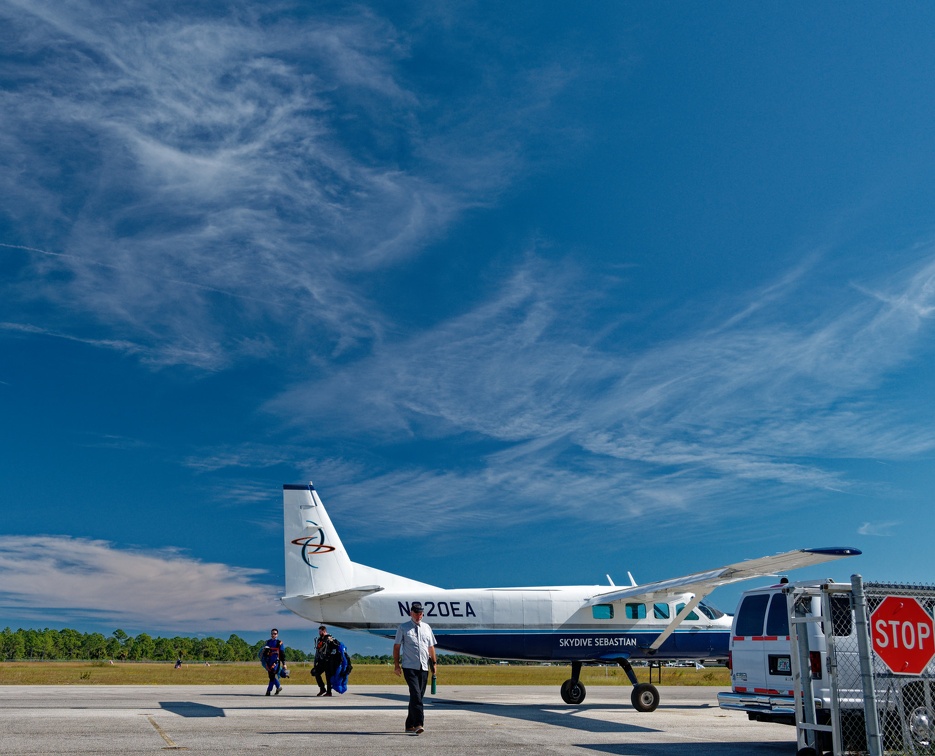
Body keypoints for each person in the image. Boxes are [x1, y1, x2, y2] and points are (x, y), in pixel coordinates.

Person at [393, 601, 437, 735]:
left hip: (424, 667)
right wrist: (396, 665)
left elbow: (431, 647)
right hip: (409, 667)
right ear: (411, 613)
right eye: (416, 613)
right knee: (416, 695)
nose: (418, 616)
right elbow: (397, 647)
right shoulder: (403, 628)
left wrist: (434, 664)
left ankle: (409, 724)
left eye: (420, 614)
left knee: (417, 696)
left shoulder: (427, 628)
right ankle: (419, 724)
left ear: (423, 614)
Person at [311, 625, 340, 696]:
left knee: (328, 676)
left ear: (324, 631)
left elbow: (337, 645)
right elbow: (317, 651)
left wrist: (332, 641)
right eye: (319, 631)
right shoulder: (319, 639)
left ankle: (329, 692)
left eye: (320, 631)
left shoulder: (330, 638)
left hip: (328, 661)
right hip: (321, 661)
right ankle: (322, 688)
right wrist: (315, 662)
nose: (319, 633)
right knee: (315, 672)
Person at [261, 628, 287, 696]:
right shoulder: (268, 642)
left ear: (277, 635)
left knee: (272, 674)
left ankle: (270, 690)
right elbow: (264, 653)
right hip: (269, 661)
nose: (273, 635)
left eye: (275, 634)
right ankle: (277, 688)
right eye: (272, 633)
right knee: (271, 676)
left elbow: (282, 654)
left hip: (276, 662)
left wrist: (284, 664)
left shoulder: (279, 643)